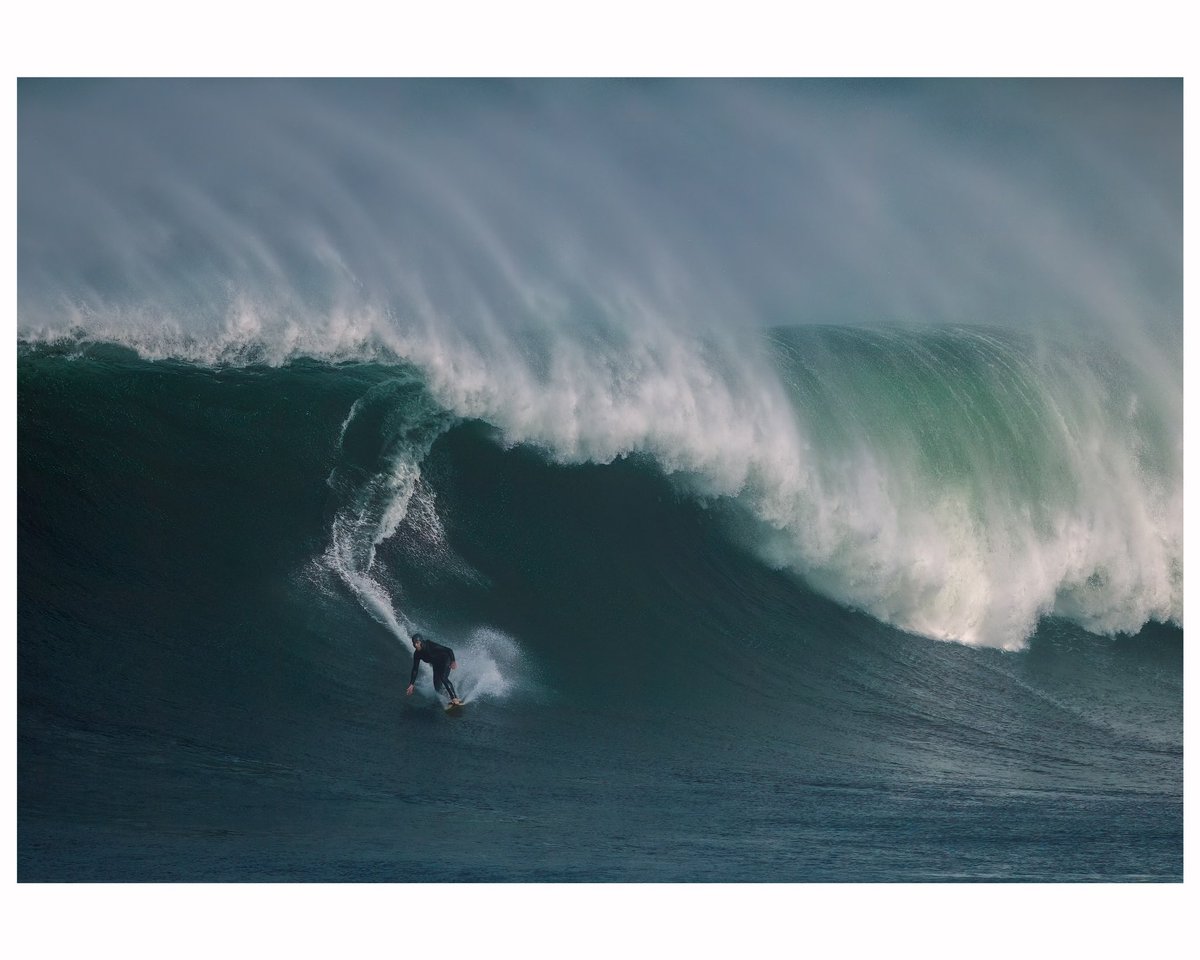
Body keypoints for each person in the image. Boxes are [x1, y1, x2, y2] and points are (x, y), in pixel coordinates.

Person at [406, 632, 463, 706]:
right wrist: (411, 684)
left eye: (417, 642)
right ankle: (449, 696)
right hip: (436, 664)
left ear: (421, 642)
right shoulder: (417, 654)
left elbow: (449, 650)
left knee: (443, 677)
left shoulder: (431, 646)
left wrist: (453, 661)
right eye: (414, 643)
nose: (415, 645)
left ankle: (455, 698)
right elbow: (415, 669)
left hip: (445, 660)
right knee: (437, 687)